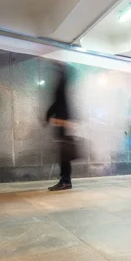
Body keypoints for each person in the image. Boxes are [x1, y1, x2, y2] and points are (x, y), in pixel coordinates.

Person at [46, 62, 77, 191]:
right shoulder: (62, 88)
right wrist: (48, 115)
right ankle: (65, 180)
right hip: (62, 121)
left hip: (64, 122)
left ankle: (66, 181)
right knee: (63, 154)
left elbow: (61, 103)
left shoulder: (63, 87)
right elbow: (58, 102)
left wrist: (49, 115)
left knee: (64, 154)